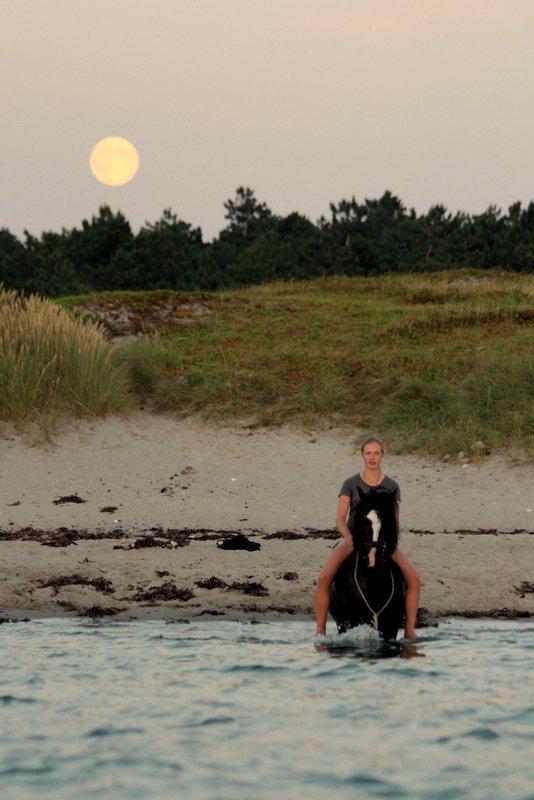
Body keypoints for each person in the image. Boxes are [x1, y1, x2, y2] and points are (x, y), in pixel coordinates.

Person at [315, 436, 421, 639]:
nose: (372, 457)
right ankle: (320, 630)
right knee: (324, 578)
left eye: (376, 453)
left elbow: (394, 520)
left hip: (382, 538)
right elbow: (339, 518)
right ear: (363, 455)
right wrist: (349, 537)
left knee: (414, 578)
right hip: (354, 536)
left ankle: (409, 631)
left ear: (382, 455)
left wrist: (388, 542)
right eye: (368, 453)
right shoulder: (350, 483)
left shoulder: (392, 486)